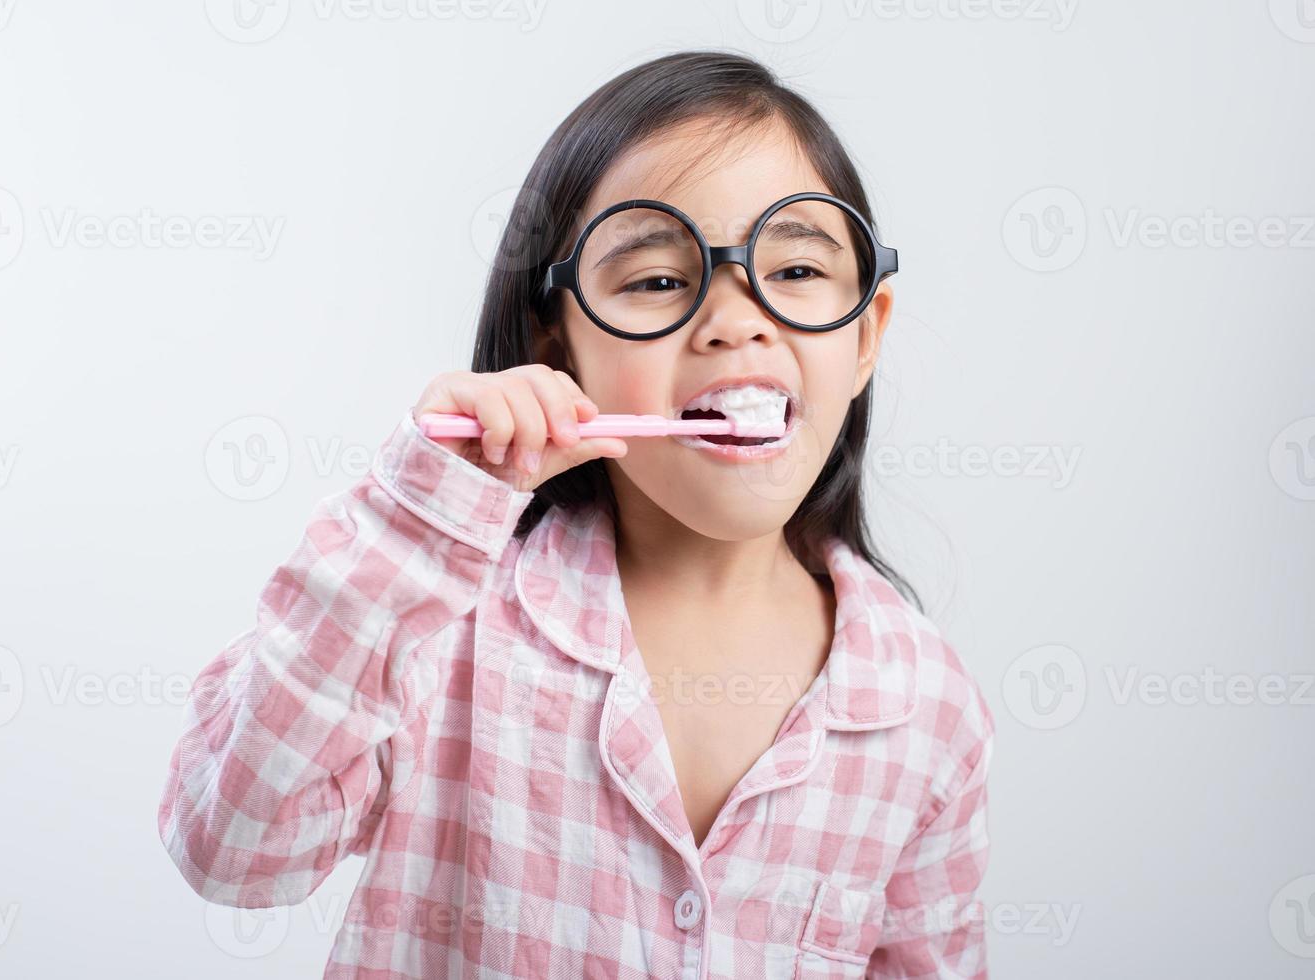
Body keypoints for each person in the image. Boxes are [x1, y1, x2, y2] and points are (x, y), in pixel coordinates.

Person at [157, 49, 995, 979]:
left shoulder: (927, 706)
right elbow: (230, 849)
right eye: (657, 282)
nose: (737, 318)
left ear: (867, 335)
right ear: (560, 344)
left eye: (795, 268)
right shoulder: (440, 632)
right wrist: (421, 517)